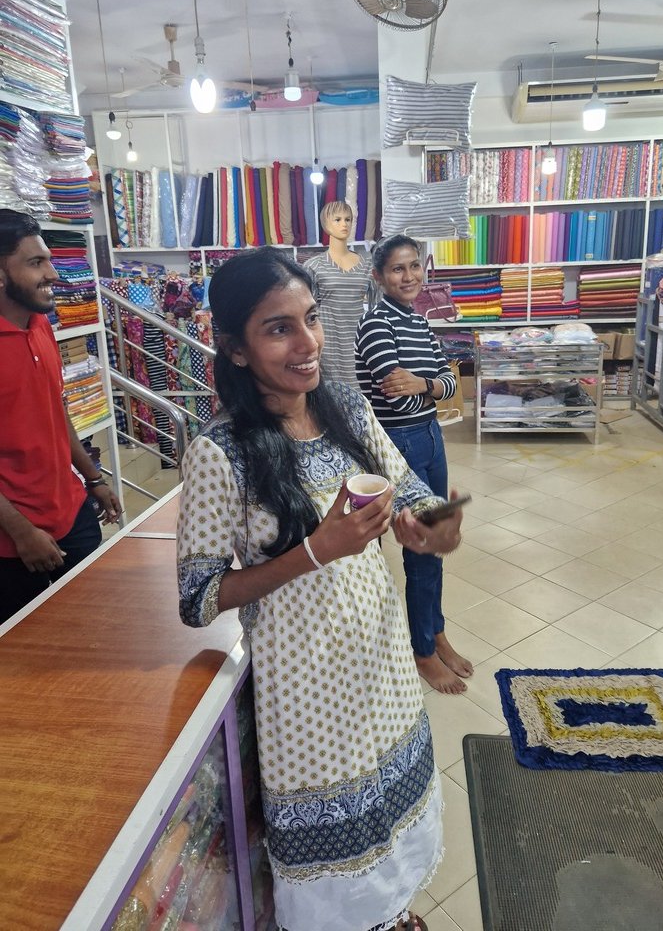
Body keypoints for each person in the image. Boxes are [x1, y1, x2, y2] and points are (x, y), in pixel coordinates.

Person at [176, 248, 464, 931]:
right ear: (236, 348)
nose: (307, 343)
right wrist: (314, 550)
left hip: (382, 662)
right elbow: (198, 599)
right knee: (339, 853)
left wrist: (431, 528)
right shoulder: (218, 452)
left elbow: (413, 496)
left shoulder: (348, 410)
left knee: (395, 808)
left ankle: (392, 912)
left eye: (310, 319)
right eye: (278, 329)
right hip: (308, 692)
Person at [354, 235, 473, 696]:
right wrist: (433, 386)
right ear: (379, 276)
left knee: (435, 541)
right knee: (421, 546)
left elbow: (449, 383)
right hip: (398, 442)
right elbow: (397, 399)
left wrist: (424, 384)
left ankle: (436, 632)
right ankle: (422, 650)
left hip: (430, 437)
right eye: (397, 269)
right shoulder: (375, 323)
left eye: (414, 266)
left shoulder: (419, 323)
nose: (409, 277)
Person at [0, 209, 121, 623]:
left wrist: (93, 478)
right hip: (14, 540)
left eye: (49, 260)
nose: (53, 274)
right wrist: (20, 532)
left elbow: (56, 410)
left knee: (96, 621)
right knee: (30, 645)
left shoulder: (40, 325)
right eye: (36, 262)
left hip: (71, 511)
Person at [304, 199, 379, 387]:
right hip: (329, 341)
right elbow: (306, 314)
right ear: (326, 224)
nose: (344, 224)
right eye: (337, 219)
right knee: (331, 393)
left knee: (362, 390)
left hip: (360, 338)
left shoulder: (367, 265)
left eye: (348, 219)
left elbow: (376, 308)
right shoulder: (313, 266)